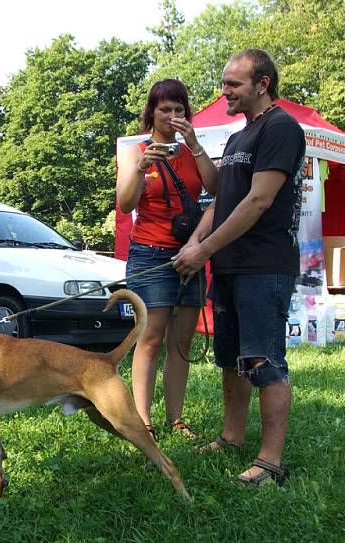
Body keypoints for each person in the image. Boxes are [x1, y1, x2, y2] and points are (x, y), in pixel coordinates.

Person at [174, 49, 305, 486]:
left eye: (233, 84)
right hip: (229, 266)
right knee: (231, 359)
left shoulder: (281, 128)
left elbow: (259, 200)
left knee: (263, 360)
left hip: (264, 265)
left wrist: (204, 249)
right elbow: (221, 196)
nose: (224, 91)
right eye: (225, 82)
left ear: (262, 83)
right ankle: (232, 437)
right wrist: (194, 244)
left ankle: (270, 463)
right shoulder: (236, 138)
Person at [116, 79, 218, 440]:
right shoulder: (136, 152)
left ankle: (176, 418)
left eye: (179, 110)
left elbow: (217, 189)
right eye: (166, 110)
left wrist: (195, 145)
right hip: (150, 255)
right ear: (152, 113)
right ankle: (143, 421)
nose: (173, 116)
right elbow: (126, 204)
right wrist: (142, 166)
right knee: (150, 338)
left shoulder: (190, 151)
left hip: (188, 253)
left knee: (182, 342)